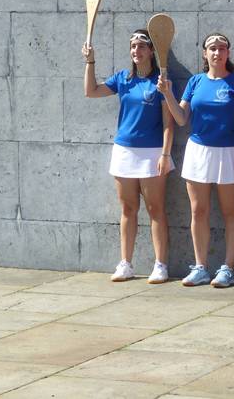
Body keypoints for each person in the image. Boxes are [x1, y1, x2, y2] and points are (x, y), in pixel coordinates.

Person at [157, 33, 234, 288]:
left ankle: (228, 269)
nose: (217, 52)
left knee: (230, 211)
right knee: (198, 211)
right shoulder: (195, 82)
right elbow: (180, 118)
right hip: (198, 152)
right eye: (212, 48)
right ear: (204, 53)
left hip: (228, 153)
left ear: (228, 53)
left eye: (222, 48)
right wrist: (167, 93)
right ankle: (200, 268)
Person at [82, 29, 174, 283]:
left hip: (153, 153)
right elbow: (91, 91)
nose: (136, 51)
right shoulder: (123, 78)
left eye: (142, 46)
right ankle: (126, 264)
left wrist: (165, 153)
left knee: (156, 209)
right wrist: (90, 61)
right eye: (133, 46)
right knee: (128, 208)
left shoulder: (161, 82)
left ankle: (160, 265)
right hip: (124, 152)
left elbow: (169, 124)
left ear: (152, 51)